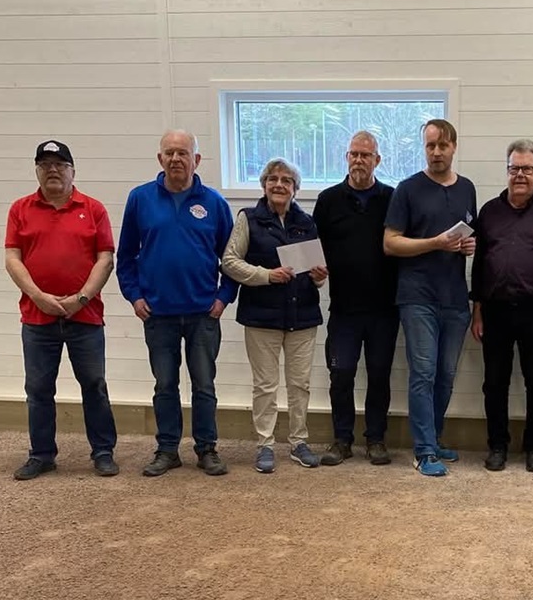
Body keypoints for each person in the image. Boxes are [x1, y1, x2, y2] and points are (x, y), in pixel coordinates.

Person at [117, 130, 238, 477]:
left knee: (204, 386)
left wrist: (223, 298)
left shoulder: (214, 203)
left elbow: (232, 260)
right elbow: (125, 257)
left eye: (183, 153)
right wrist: (134, 296)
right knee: (165, 386)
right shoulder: (140, 199)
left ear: (196, 160)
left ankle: (206, 449)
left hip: (203, 313)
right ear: (160, 159)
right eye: (169, 153)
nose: (175, 159)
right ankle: (167, 449)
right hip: (158, 314)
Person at [4, 140, 119, 480]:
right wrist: (38, 295)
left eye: (59, 164)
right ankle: (41, 455)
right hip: (37, 316)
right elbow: (12, 258)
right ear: (36, 171)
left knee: (94, 385)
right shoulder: (20, 209)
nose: (52, 170)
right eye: (45, 164)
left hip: (85, 315)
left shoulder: (93, 209)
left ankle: (103, 452)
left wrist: (81, 298)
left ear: (72, 171)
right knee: (38, 389)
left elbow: (105, 259)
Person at [384, 119, 476, 477]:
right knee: (423, 372)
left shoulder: (467, 188)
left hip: (455, 298)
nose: (436, 152)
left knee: (446, 374)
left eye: (442, 145)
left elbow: (468, 235)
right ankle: (423, 450)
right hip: (417, 296)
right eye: (430, 146)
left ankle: (434, 439)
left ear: (454, 147)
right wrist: (434, 243)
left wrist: (468, 245)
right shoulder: (408, 189)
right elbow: (390, 243)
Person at [222, 159, 327, 472]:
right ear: (264, 185)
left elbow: (315, 273)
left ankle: (299, 442)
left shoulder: (307, 223)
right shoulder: (248, 219)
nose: (279, 185)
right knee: (265, 385)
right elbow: (230, 262)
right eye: (273, 179)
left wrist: (320, 277)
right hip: (261, 317)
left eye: (286, 180)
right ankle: (265, 445)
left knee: (300, 384)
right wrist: (267, 275)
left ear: (296, 188)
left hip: (302, 315)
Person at [470, 139, 533, 473]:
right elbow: (480, 264)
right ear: (507, 171)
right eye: (515, 168)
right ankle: (497, 445)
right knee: (494, 383)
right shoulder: (489, 211)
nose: (521, 175)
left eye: (527, 169)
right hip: (495, 309)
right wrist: (477, 309)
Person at [313, 132, 399, 467]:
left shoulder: (392, 198)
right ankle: (342, 439)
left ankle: (376, 439)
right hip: (344, 309)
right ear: (346, 158)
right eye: (354, 154)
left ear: (378, 160)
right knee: (341, 373)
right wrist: (314, 272)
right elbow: (313, 246)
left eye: (366, 155)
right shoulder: (328, 200)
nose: (359, 160)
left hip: (384, 309)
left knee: (379, 375)